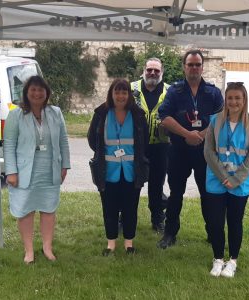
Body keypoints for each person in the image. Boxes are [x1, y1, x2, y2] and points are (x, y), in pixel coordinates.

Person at [157, 49, 224, 249]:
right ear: (184, 67)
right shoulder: (174, 91)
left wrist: (200, 135)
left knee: (208, 193)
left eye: (197, 64)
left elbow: (221, 119)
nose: (194, 68)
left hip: (205, 153)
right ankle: (170, 234)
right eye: (190, 64)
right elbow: (164, 117)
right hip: (179, 150)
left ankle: (213, 234)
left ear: (202, 67)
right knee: (176, 194)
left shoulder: (213, 92)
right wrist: (187, 135)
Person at [3, 76, 70, 264]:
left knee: (49, 208)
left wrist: (65, 165)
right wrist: (11, 171)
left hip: (50, 168)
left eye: (41, 90)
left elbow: (63, 141)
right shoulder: (16, 114)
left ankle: (47, 248)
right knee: (26, 209)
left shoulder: (55, 112)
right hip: (24, 170)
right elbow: (8, 144)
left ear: (46, 93)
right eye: (33, 89)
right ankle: (29, 251)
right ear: (26, 93)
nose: (37, 93)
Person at [203, 82, 249, 278]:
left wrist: (235, 179)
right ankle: (218, 259)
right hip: (216, 181)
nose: (234, 102)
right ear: (225, 100)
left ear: (244, 100)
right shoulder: (214, 121)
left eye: (238, 98)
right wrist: (223, 176)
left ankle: (232, 261)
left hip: (240, 183)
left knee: (235, 222)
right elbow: (208, 152)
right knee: (216, 223)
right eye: (230, 98)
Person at [87, 78, 149, 255]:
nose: (120, 96)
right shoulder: (101, 114)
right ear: (111, 94)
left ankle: (129, 243)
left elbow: (143, 141)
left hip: (132, 171)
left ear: (129, 94)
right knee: (109, 209)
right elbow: (93, 140)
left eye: (124, 92)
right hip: (108, 172)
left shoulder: (137, 115)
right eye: (117, 92)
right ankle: (111, 244)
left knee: (131, 208)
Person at [130, 57, 171, 233]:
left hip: (161, 145)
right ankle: (126, 218)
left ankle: (157, 219)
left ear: (161, 72)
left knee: (156, 185)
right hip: (135, 145)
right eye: (149, 70)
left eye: (156, 70)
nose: (152, 73)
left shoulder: (170, 91)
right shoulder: (131, 89)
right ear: (144, 71)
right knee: (133, 185)